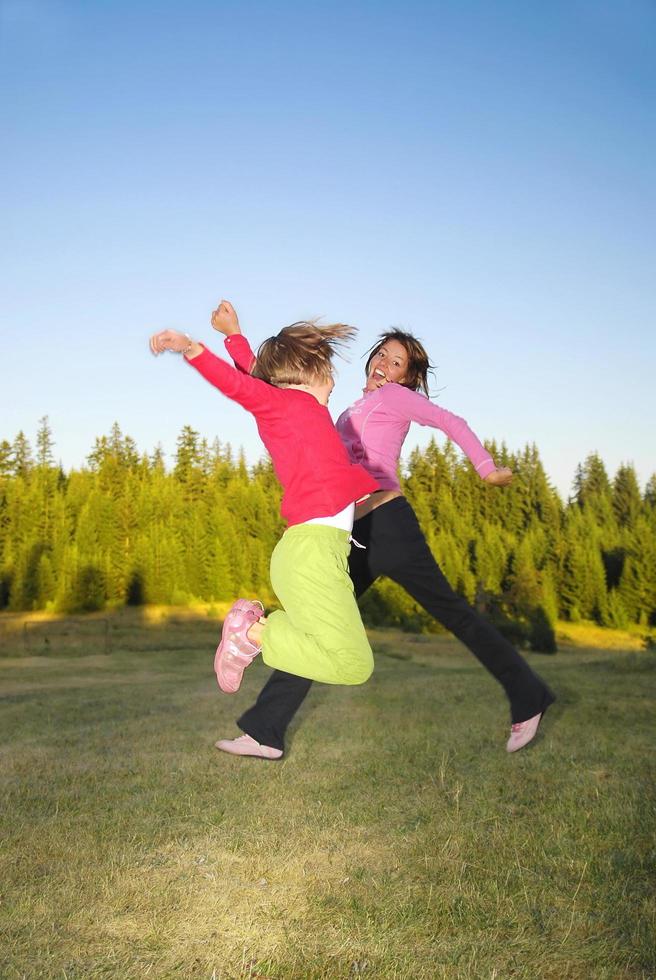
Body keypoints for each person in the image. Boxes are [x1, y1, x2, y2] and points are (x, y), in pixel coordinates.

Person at [213, 305, 555, 757]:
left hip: (388, 525)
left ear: (408, 377)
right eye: (382, 356)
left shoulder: (394, 398)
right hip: (351, 531)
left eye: (397, 363)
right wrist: (235, 337)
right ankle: (264, 731)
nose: (384, 366)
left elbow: (450, 422)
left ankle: (528, 696)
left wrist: (486, 468)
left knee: (450, 611)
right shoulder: (339, 408)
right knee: (318, 621)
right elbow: (270, 388)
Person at [149, 308, 379, 708]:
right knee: (352, 665)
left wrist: (235, 335)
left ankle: (250, 633)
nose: (333, 379)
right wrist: (190, 348)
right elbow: (243, 386)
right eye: (327, 369)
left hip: (320, 554)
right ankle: (251, 634)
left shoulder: (302, 411)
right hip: (311, 554)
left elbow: (257, 376)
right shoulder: (288, 405)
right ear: (305, 373)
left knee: (348, 656)